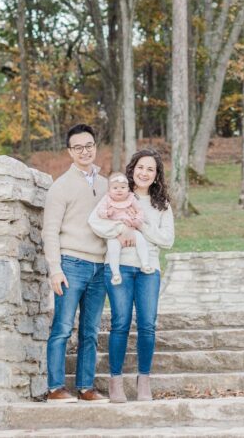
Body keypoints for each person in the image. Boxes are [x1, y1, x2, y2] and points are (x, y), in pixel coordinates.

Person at [89, 148, 175, 403]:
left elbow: (168, 240)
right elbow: (95, 222)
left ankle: (143, 381)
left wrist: (141, 227)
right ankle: (116, 382)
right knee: (120, 323)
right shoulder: (116, 195)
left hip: (149, 270)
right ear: (132, 170)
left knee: (147, 324)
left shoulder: (162, 205)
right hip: (120, 267)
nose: (144, 173)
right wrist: (120, 229)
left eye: (151, 169)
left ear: (157, 174)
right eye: (140, 167)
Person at [42, 124, 119, 403]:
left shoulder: (106, 184)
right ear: (70, 151)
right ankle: (55, 389)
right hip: (71, 264)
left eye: (89, 146)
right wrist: (55, 269)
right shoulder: (60, 186)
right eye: (78, 147)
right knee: (63, 327)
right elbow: (49, 231)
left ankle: (86, 387)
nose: (84, 151)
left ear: (95, 147)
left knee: (90, 330)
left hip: (100, 267)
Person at [94, 172, 154, 285]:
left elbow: (140, 211)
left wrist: (137, 220)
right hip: (115, 233)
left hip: (131, 228)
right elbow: (100, 211)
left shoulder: (131, 199)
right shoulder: (107, 199)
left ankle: (145, 264)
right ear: (109, 190)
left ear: (128, 189)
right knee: (113, 249)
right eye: (115, 188)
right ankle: (116, 273)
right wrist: (107, 213)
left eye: (123, 187)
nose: (119, 190)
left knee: (141, 240)